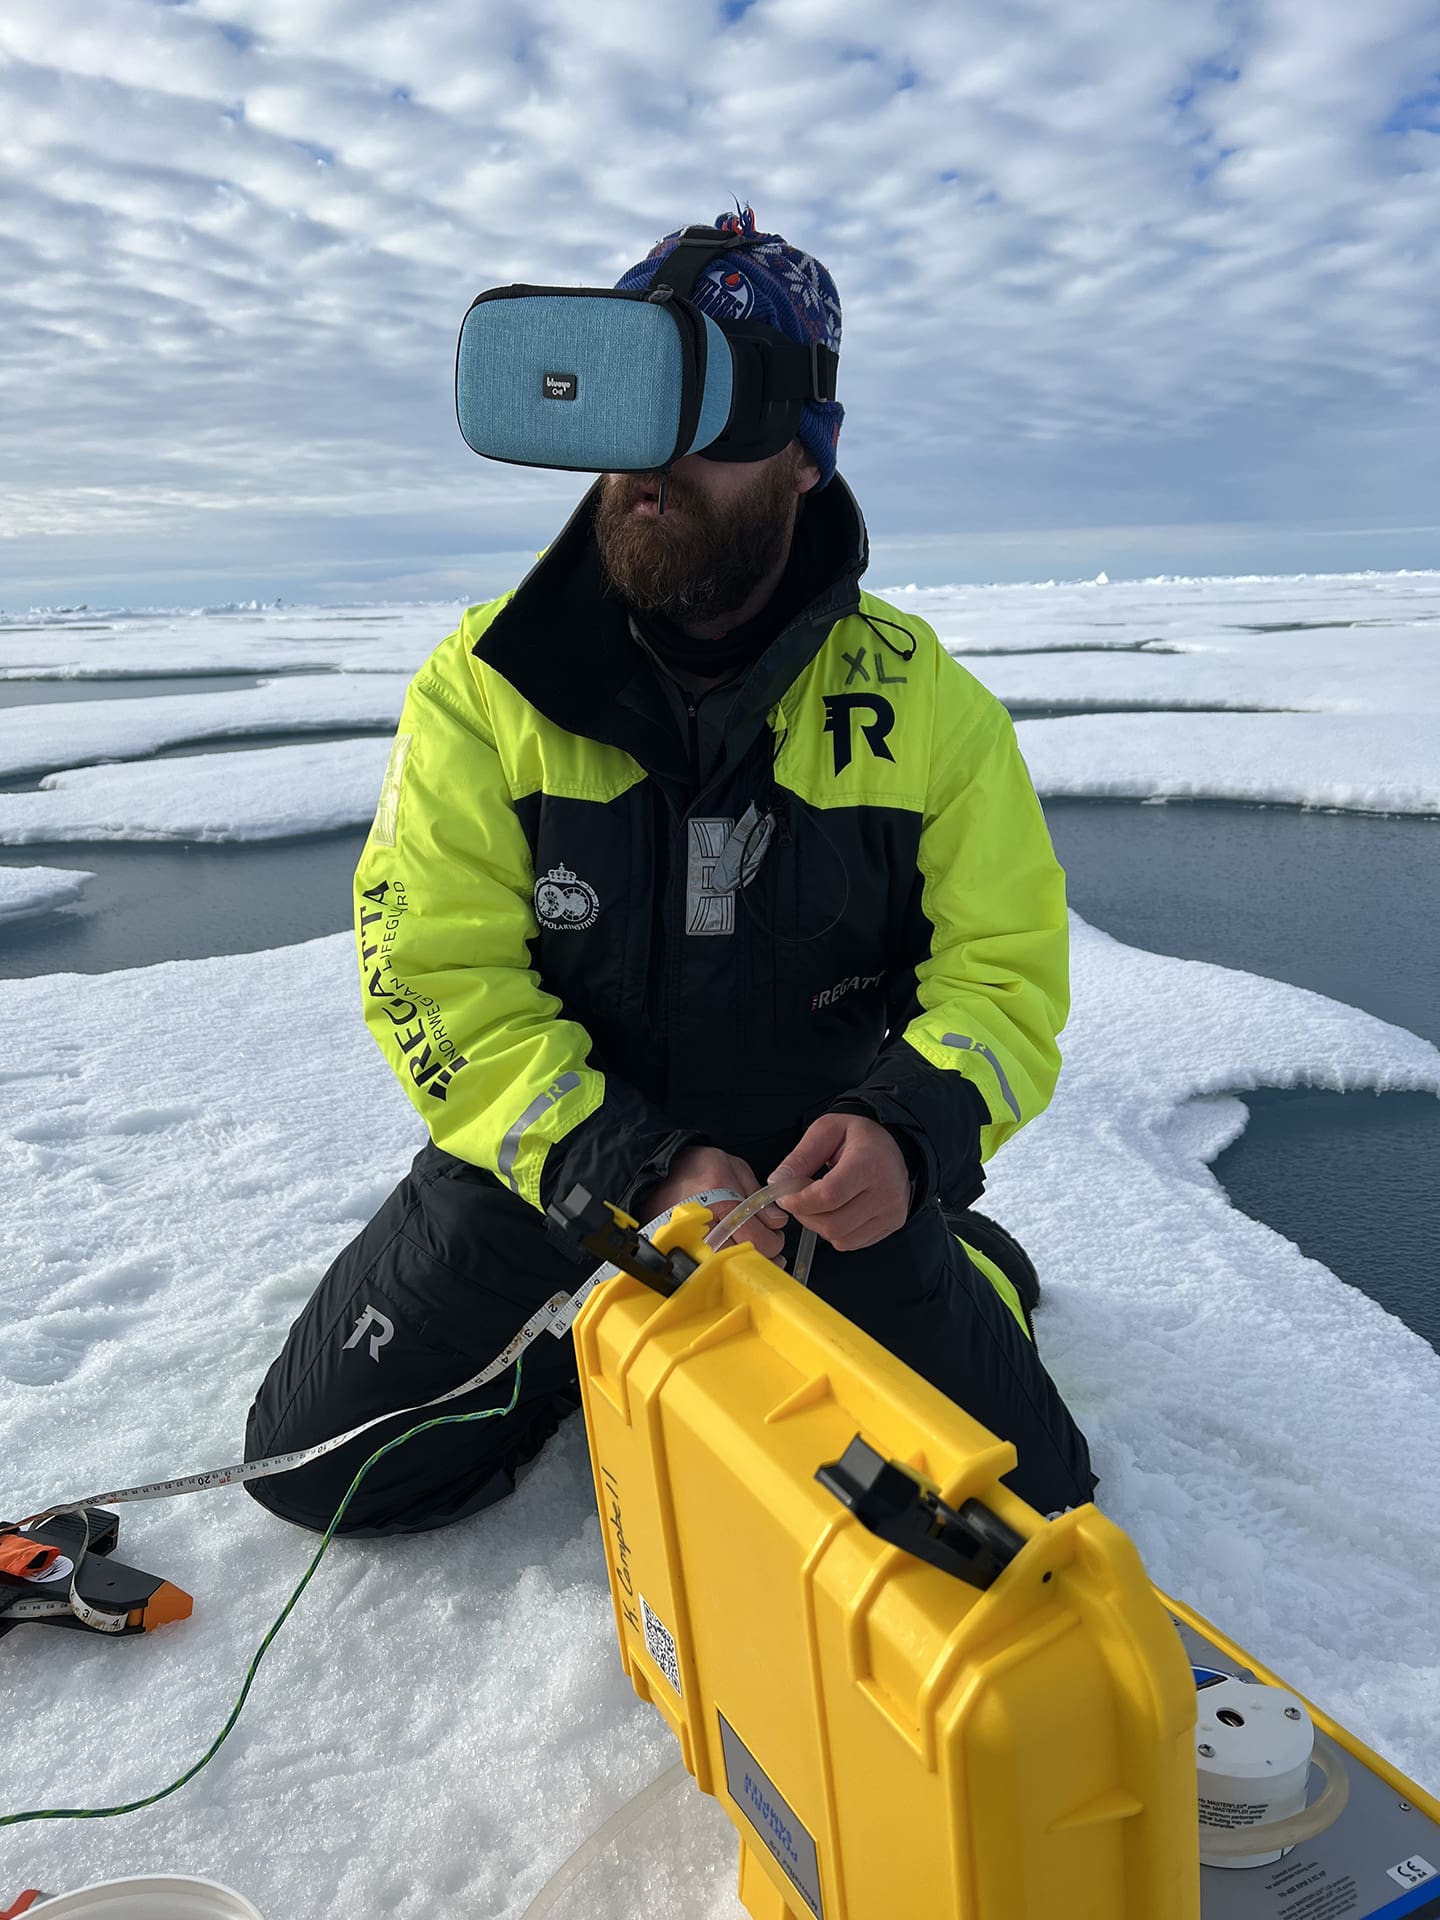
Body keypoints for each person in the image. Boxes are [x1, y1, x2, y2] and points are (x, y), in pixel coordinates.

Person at [244, 208, 1095, 1534]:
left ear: (802, 464)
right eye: (642, 401)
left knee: (1029, 1506)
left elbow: (1006, 974)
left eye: (715, 419)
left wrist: (908, 1136)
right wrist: (628, 1170)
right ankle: (585, 1336)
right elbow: (437, 974)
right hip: (566, 1171)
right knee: (320, 1472)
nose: (658, 461)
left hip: (815, 1179)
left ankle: (959, 1261)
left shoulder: (925, 706)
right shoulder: (486, 689)